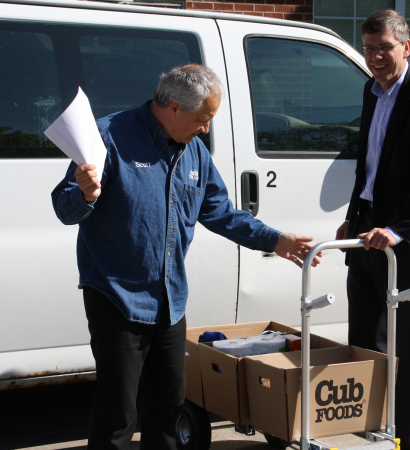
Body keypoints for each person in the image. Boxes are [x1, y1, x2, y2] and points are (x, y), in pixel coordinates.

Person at [52, 64, 320, 450]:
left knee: (168, 406)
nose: (206, 128)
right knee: (117, 413)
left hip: (169, 301)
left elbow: (221, 212)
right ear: (174, 108)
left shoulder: (194, 150)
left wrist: (274, 241)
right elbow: (64, 208)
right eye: (204, 118)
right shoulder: (109, 137)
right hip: (116, 297)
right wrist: (85, 195)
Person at [335, 9, 410, 450]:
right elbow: (369, 166)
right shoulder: (372, 90)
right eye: (368, 48)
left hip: (409, 243)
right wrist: (355, 213)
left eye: (384, 48)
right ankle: (369, 435)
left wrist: (398, 229)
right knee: (363, 344)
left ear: (406, 47)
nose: (375, 57)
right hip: (367, 233)